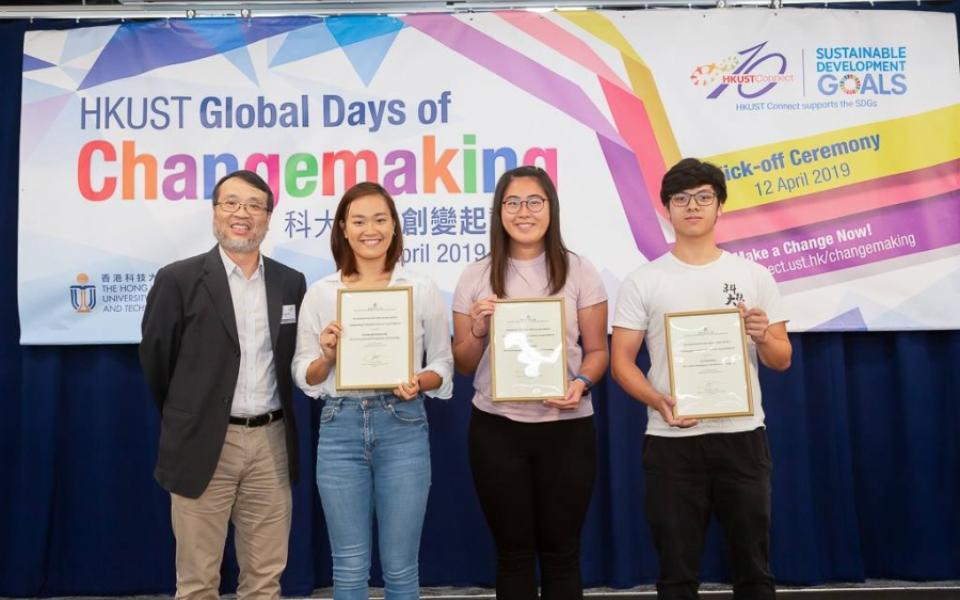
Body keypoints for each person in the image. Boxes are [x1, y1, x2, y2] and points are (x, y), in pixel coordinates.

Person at [611, 158, 793, 599]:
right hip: (672, 439)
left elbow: (781, 359)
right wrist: (658, 401)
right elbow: (621, 362)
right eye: (681, 199)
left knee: (753, 569)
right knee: (676, 573)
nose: (692, 206)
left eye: (703, 197)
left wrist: (763, 334)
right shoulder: (643, 280)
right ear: (667, 211)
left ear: (719, 206)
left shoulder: (753, 276)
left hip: (742, 436)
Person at [139, 169, 307, 600]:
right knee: (197, 582)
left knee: (265, 580)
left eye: (254, 205)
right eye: (231, 203)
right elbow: (158, 362)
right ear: (215, 214)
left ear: (269, 218)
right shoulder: (178, 280)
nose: (242, 214)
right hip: (202, 443)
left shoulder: (291, 283)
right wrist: (192, 415)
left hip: (270, 444)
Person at [452, 165, 609, 600]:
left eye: (534, 202)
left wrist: (580, 383)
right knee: (513, 554)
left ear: (551, 209)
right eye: (513, 202)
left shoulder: (580, 271)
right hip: (497, 430)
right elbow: (463, 363)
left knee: (562, 553)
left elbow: (597, 353)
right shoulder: (475, 275)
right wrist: (480, 330)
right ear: (499, 211)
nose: (524, 212)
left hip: (567, 427)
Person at [292, 181, 453, 600]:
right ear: (343, 228)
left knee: (401, 570)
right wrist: (327, 357)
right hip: (339, 426)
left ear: (395, 227)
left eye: (380, 219)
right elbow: (302, 373)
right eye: (359, 220)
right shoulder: (322, 294)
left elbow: (442, 364)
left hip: (403, 425)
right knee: (348, 569)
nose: (371, 229)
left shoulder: (419, 288)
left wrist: (420, 381)